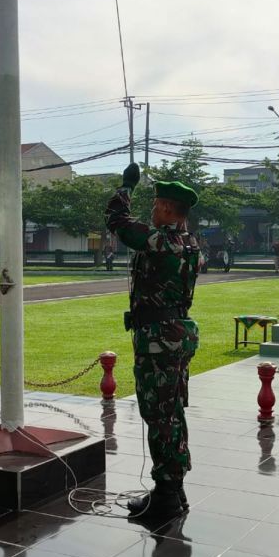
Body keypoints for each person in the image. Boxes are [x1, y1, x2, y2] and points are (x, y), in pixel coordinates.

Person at [106, 163, 200, 520]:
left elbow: (116, 220)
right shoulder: (187, 242)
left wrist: (126, 187)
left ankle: (166, 495)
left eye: (155, 203)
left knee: (160, 415)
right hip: (173, 335)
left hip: (160, 339)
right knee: (171, 413)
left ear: (165, 208)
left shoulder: (162, 241)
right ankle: (173, 489)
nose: (151, 209)